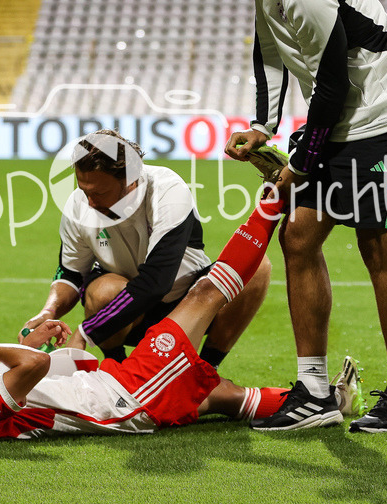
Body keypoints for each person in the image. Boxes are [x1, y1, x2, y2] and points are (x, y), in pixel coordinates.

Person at [0, 198, 362, 439]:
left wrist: (64, 339)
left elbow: (40, 384)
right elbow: (26, 372)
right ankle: (274, 199)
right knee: (208, 291)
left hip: (110, 385)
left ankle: (332, 401)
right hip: (124, 398)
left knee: (220, 397)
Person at [205, 0, 387, 433]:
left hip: (380, 117)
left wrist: (300, 161)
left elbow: (330, 87)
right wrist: (264, 126)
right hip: (343, 116)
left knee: (378, 249)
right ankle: (314, 392)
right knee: (299, 238)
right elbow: (271, 52)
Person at [22, 129, 270, 370]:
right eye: (84, 190)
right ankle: (116, 369)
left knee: (257, 266)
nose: (90, 202)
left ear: (130, 182)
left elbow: (156, 281)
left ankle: (205, 370)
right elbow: (70, 274)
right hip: (124, 316)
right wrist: (49, 310)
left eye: (99, 192)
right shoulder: (79, 204)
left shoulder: (167, 190)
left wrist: (87, 332)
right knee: (104, 290)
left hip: (189, 306)